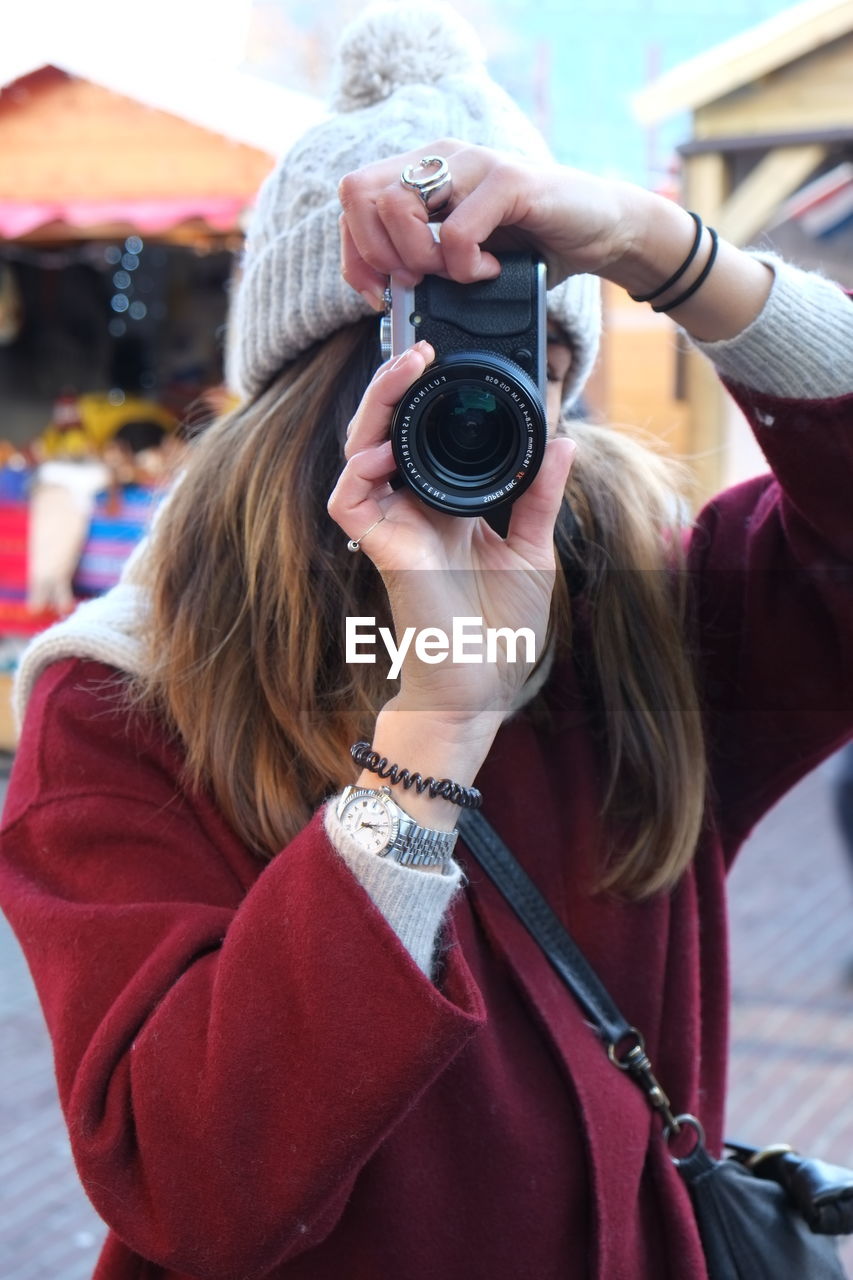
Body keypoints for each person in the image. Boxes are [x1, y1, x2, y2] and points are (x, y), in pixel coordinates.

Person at [1, 4, 852, 1278]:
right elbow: (192, 1183)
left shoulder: (642, 618)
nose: (468, 418)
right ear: (297, 398)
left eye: (517, 369)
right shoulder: (128, 699)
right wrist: (430, 735)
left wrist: (656, 246)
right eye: (406, 364)